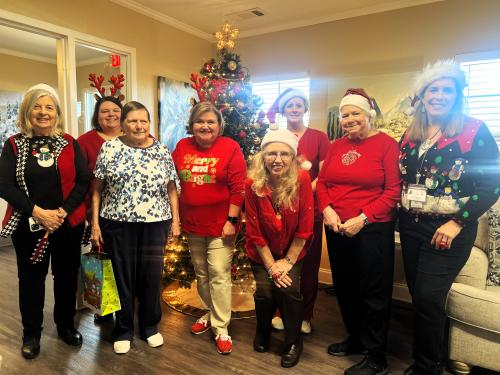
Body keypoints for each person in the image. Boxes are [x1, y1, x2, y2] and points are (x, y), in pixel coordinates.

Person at [398, 60, 500, 375]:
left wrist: (458, 222)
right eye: (433, 89)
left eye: (447, 90)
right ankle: (437, 355)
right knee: (421, 296)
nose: (439, 95)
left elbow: (492, 182)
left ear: (457, 96)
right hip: (411, 227)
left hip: (448, 229)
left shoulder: (473, 129)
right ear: (422, 95)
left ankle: (427, 367)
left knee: (428, 298)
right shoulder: (411, 133)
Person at [0, 84, 89, 359]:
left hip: (66, 223)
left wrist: (62, 212)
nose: (43, 112)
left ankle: (65, 325)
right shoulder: (14, 144)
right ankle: (32, 333)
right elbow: (4, 184)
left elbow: (83, 181)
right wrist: (37, 212)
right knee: (31, 280)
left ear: (58, 113)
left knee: (65, 277)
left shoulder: (70, 142)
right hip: (29, 225)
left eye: (49, 107)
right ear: (27, 111)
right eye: (37, 106)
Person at [317, 88, 401, 375]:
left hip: (372, 229)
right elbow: (323, 182)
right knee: (346, 287)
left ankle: (377, 356)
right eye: (345, 115)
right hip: (338, 227)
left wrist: (363, 219)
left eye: (356, 114)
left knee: (373, 292)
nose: (350, 119)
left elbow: (393, 191)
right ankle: (356, 339)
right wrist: (326, 209)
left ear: (369, 115)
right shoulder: (336, 145)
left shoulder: (387, 145)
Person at [90, 101, 180, 354]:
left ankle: (150, 327)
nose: (139, 126)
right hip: (117, 223)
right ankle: (124, 329)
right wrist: (95, 223)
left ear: (149, 124)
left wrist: (176, 221)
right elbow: (97, 189)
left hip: (156, 223)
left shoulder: (162, 150)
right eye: (133, 121)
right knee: (122, 277)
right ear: (123, 124)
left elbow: (172, 189)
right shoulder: (109, 148)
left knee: (151, 277)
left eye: (144, 121)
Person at [172, 101, 246, 355]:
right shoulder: (182, 146)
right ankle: (210, 311)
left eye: (210, 121)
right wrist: (176, 219)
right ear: (192, 125)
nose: (205, 126)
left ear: (219, 125)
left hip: (221, 225)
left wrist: (231, 221)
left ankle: (221, 327)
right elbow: (173, 182)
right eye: (200, 121)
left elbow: (239, 189)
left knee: (218, 272)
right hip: (192, 224)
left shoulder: (230, 147)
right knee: (202, 273)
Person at [245, 129, 314, 368]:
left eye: (284, 154)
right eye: (272, 153)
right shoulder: (252, 184)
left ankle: (293, 341)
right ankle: (263, 331)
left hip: (292, 252)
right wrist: (271, 265)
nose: (278, 159)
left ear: (293, 158)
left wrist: (287, 262)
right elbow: (254, 231)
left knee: (288, 290)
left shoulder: (302, 180)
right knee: (264, 291)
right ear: (263, 156)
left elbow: (305, 227)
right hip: (262, 253)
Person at [267, 88, 330, 334]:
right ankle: (281, 311)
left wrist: (302, 191)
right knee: (283, 262)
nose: (294, 108)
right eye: (289, 105)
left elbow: (324, 174)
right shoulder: (276, 135)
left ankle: (305, 315)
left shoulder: (319, 137)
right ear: (283, 109)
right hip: (279, 212)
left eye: (298, 104)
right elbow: (268, 169)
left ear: (305, 108)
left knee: (310, 267)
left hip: (309, 210)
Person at [78, 95, 123, 322]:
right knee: (104, 260)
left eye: (115, 110)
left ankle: (125, 309)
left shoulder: (136, 136)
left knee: (124, 262)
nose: (111, 115)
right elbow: (79, 179)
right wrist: (89, 215)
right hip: (98, 213)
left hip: (129, 216)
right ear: (97, 115)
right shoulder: (85, 142)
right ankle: (104, 310)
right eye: (105, 111)